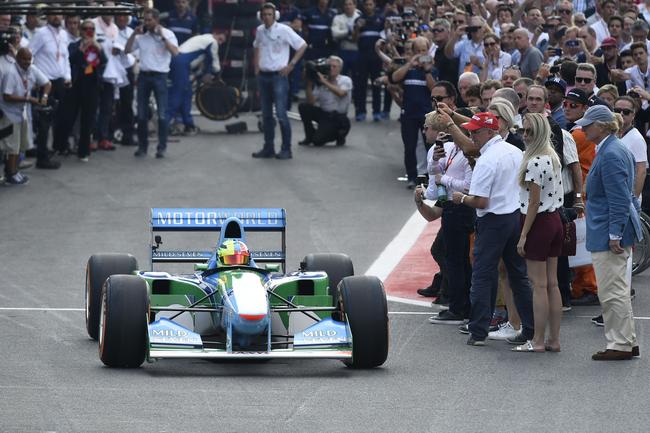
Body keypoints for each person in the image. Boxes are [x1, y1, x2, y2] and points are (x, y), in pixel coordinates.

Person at [446, 111, 535, 346]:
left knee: (483, 276)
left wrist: (461, 198)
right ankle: (529, 328)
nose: (471, 135)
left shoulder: (487, 160)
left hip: (493, 221)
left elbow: (481, 201)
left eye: (475, 131)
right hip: (515, 216)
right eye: (471, 130)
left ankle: (478, 330)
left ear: (490, 132)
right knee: (519, 276)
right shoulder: (515, 152)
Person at [576, 105, 642, 360]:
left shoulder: (611, 152)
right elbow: (625, 196)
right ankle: (625, 340)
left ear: (601, 126)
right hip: (608, 229)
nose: (583, 128)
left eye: (588, 125)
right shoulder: (613, 148)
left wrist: (615, 233)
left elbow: (617, 199)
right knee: (615, 288)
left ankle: (621, 343)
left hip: (608, 232)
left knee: (612, 290)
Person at [512, 113, 564, 353]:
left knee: (539, 285)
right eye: (524, 130)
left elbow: (533, 202)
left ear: (540, 132)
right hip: (554, 220)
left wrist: (523, 235)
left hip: (538, 221)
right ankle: (553, 340)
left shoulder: (534, 161)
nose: (525, 135)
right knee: (552, 283)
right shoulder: (552, 157)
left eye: (530, 131)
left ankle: (539, 341)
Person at [424, 111, 474, 326]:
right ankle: (457, 304)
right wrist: (436, 163)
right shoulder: (452, 149)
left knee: (458, 260)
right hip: (451, 208)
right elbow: (436, 174)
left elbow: (470, 186)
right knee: (452, 258)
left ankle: (459, 308)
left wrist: (442, 177)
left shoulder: (470, 154)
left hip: (463, 209)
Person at [251, 2, 307, 160]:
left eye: (269, 14)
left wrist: (291, 65)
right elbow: (256, 46)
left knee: (281, 114)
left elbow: (302, 45)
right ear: (260, 16)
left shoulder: (284, 30)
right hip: (264, 75)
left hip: (279, 76)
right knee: (267, 115)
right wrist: (256, 66)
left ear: (274, 16)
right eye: (264, 15)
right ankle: (268, 147)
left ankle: (286, 149)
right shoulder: (260, 31)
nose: (267, 17)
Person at [126, 8, 179, 159]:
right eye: (145, 20)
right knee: (142, 114)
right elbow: (127, 49)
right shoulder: (141, 36)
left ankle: (161, 147)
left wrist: (161, 36)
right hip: (144, 76)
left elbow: (175, 52)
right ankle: (143, 147)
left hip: (160, 76)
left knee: (162, 114)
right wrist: (134, 34)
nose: (147, 23)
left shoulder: (168, 34)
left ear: (156, 20)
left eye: (149, 20)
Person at [0, 47, 51, 184]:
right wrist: (28, 99)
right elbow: (7, 96)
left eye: (29, 59)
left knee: (21, 145)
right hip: (8, 113)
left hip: (21, 112)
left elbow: (47, 83)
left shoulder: (31, 69)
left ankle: (14, 171)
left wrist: (44, 97)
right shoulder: (11, 72)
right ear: (17, 59)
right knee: (12, 146)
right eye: (24, 59)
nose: (27, 62)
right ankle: (10, 174)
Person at [392, 36, 434, 188]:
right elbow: (395, 77)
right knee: (409, 147)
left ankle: (429, 178)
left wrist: (427, 71)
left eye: (424, 50)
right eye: (418, 51)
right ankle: (411, 176)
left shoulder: (431, 69)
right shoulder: (408, 69)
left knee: (429, 146)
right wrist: (410, 63)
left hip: (426, 115)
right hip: (408, 114)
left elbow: (434, 89)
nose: (421, 53)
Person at [29, 12, 69, 169]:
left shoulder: (64, 34)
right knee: (44, 121)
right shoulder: (41, 34)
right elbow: (28, 55)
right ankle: (42, 158)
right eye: (53, 15)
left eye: (59, 14)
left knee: (59, 118)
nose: (57, 17)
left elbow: (64, 58)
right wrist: (35, 79)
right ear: (48, 16)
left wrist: (67, 76)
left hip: (60, 81)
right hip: (45, 82)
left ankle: (56, 148)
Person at [63, 19, 107, 162]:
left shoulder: (97, 45)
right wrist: (81, 49)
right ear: (80, 31)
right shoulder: (74, 45)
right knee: (69, 117)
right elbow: (69, 60)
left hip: (91, 85)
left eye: (91, 29)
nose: (88, 31)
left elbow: (105, 61)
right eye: (85, 28)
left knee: (88, 119)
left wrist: (97, 47)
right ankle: (62, 145)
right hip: (76, 84)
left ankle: (83, 151)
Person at [167, 30, 222, 137]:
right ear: (215, 34)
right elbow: (214, 61)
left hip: (177, 61)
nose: (220, 43)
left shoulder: (201, 39)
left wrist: (199, 74)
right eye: (220, 39)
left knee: (186, 95)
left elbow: (202, 62)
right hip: (182, 64)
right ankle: (163, 125)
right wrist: (217, 74)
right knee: (177, 96)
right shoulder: (211, 41)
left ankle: (188, 124)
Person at [298, 56, 352, 147]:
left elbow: (341, 93)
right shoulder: (321, 82)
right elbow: (311, 102)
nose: (331, 68)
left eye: (334, 66)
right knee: (304, 107)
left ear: (340, 68)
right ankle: (309, 136)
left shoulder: (345, 80)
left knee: (317, 141)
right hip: (325, 115)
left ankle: (340, 135)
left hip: (339, 118)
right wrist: (309, 83)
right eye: (329, 66)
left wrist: (324, 82)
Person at [352, 0, 385, 122]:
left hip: (376, 56)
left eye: (370, 4)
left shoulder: (380, 20)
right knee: (361, 85)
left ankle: (377, 112)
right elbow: (354, 39)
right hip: (362, 56)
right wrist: (357, 28)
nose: (368, 6)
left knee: (377, 83)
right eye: (366, 4)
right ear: (363, 6)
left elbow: (385, 38)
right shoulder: (359, 20)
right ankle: (360, 112)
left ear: (374, 5)